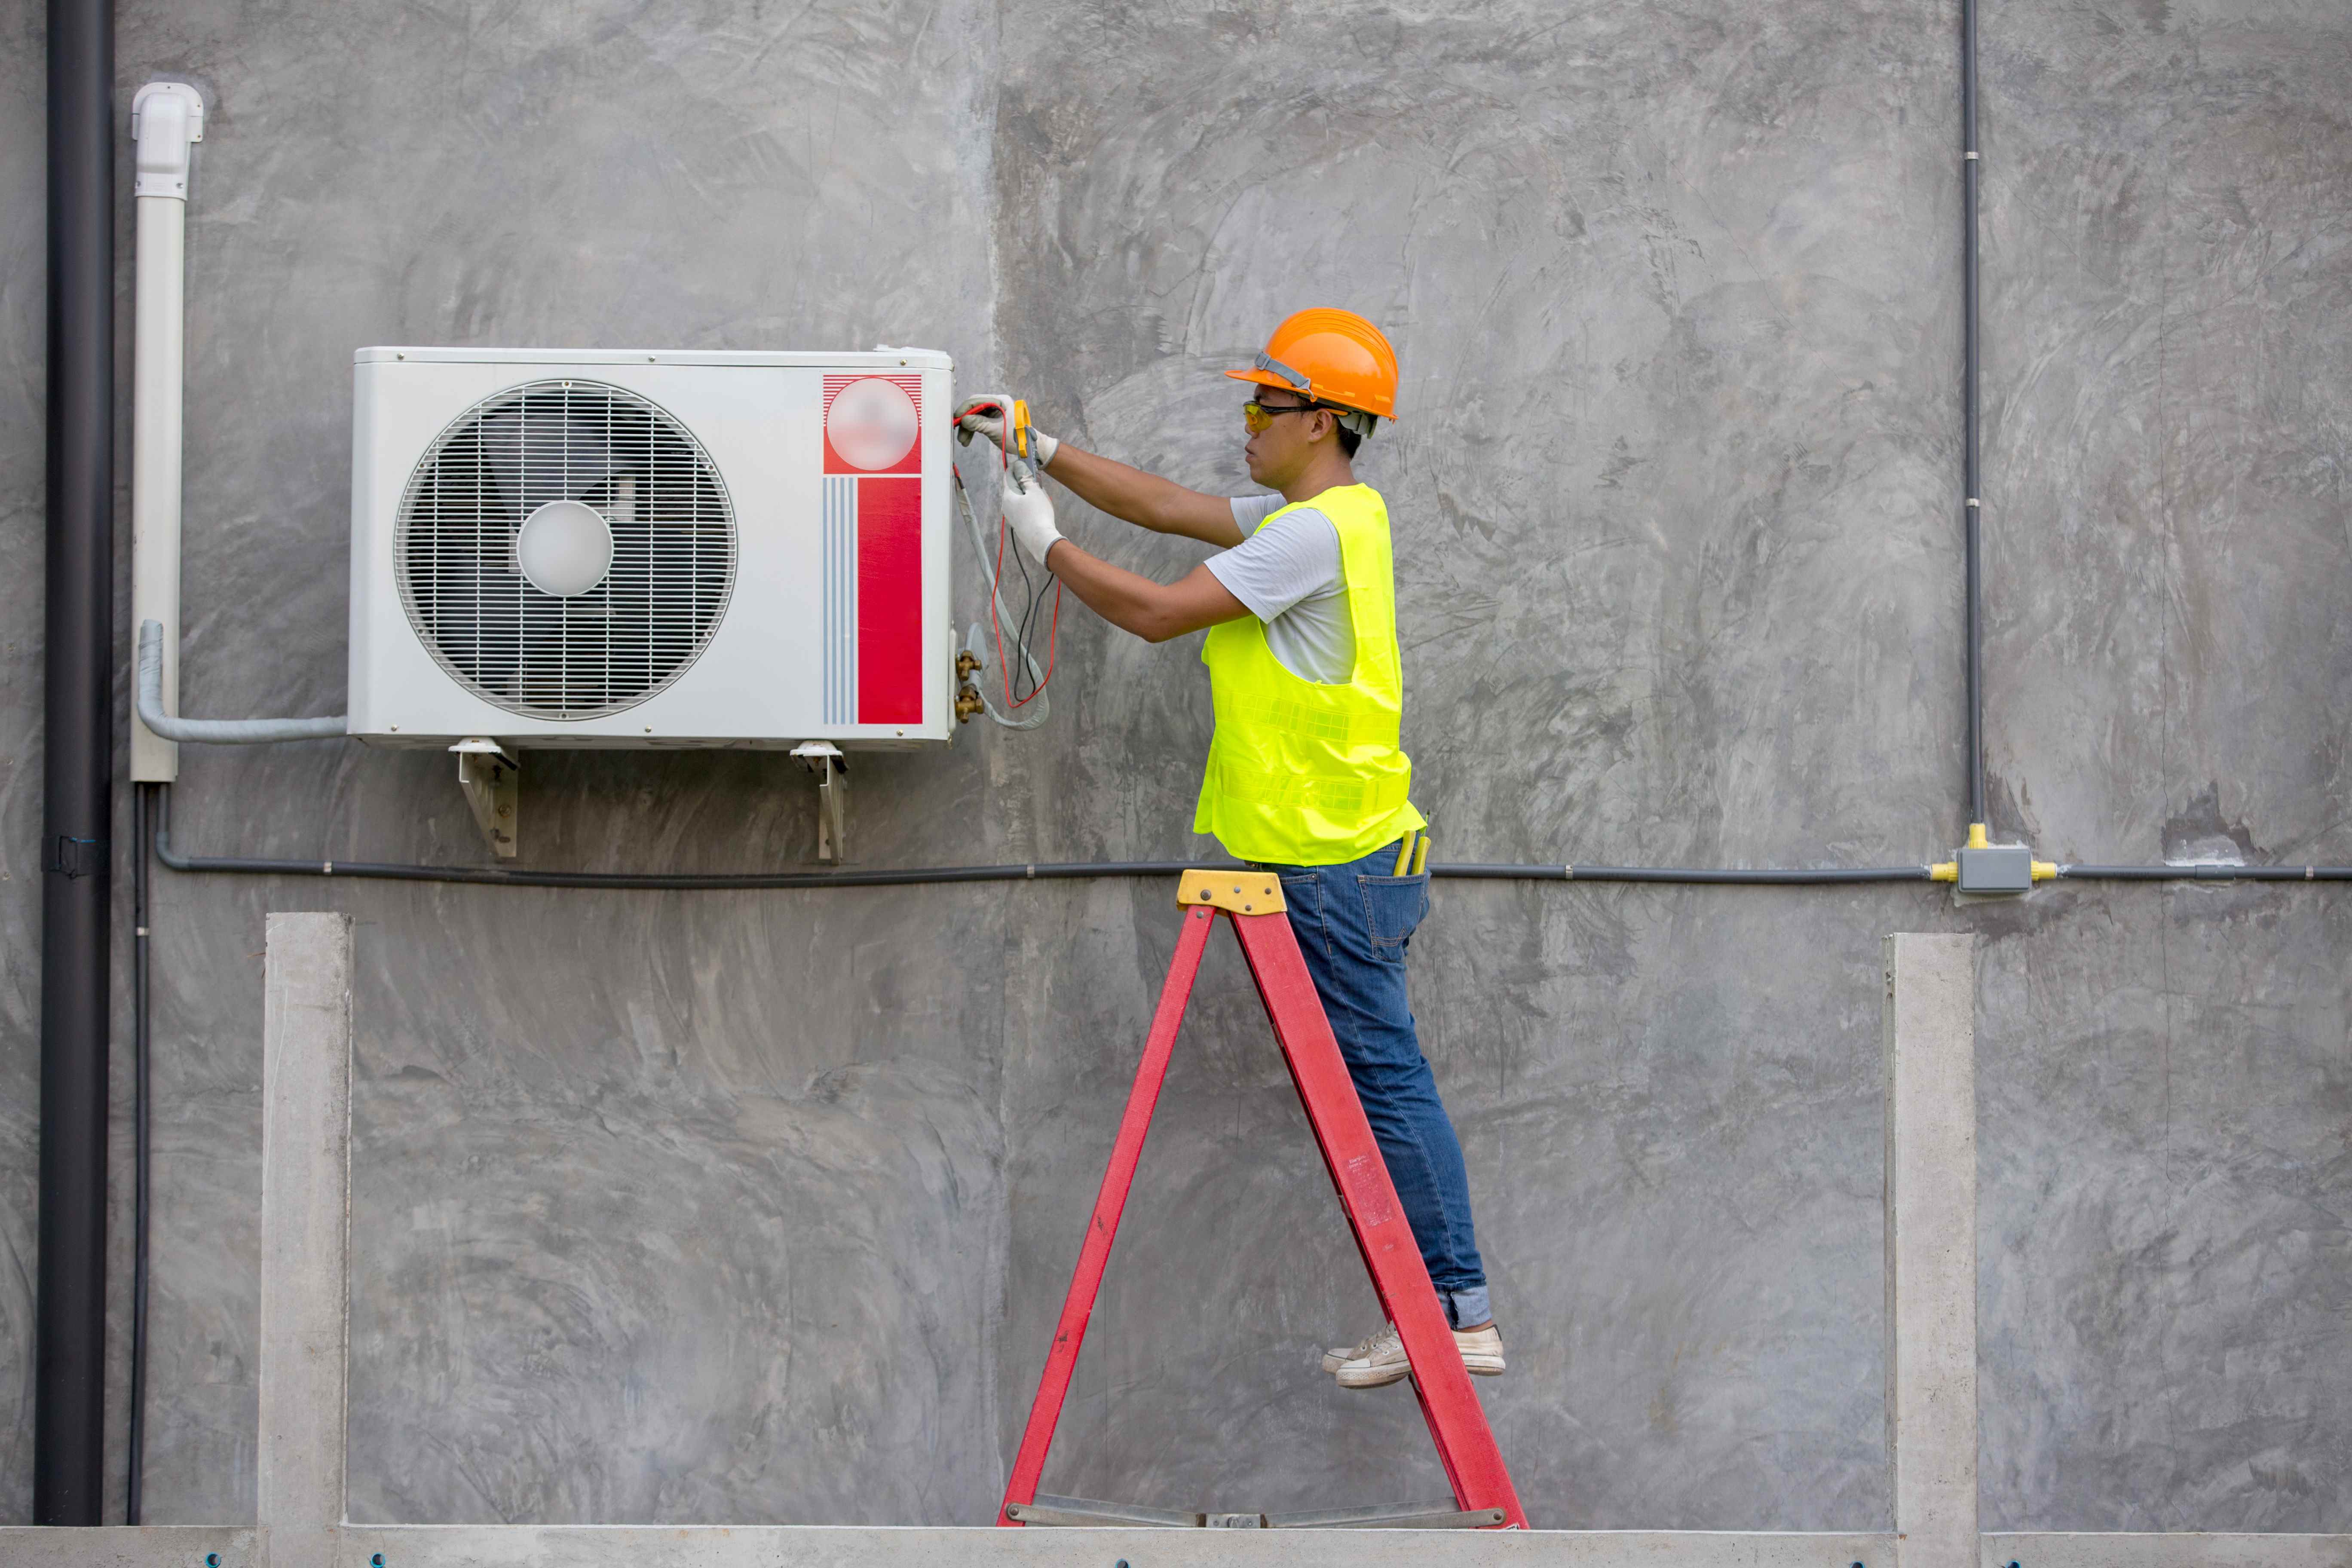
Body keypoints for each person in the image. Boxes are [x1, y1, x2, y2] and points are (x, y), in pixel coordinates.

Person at [954, 309, 1501, 1390]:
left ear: (1328, 421)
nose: (1247, 421)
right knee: (1378, 1086)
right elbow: (1167, 507)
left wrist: (1045, 546)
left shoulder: (1308, 534)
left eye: (1267, 406)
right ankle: (1443, 1307)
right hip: (1344, 855)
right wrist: (1043, 447)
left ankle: (1454, 1311)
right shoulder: (1332, 516)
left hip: (1334, 863)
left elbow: (1160, 614)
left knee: (1386, 1088)